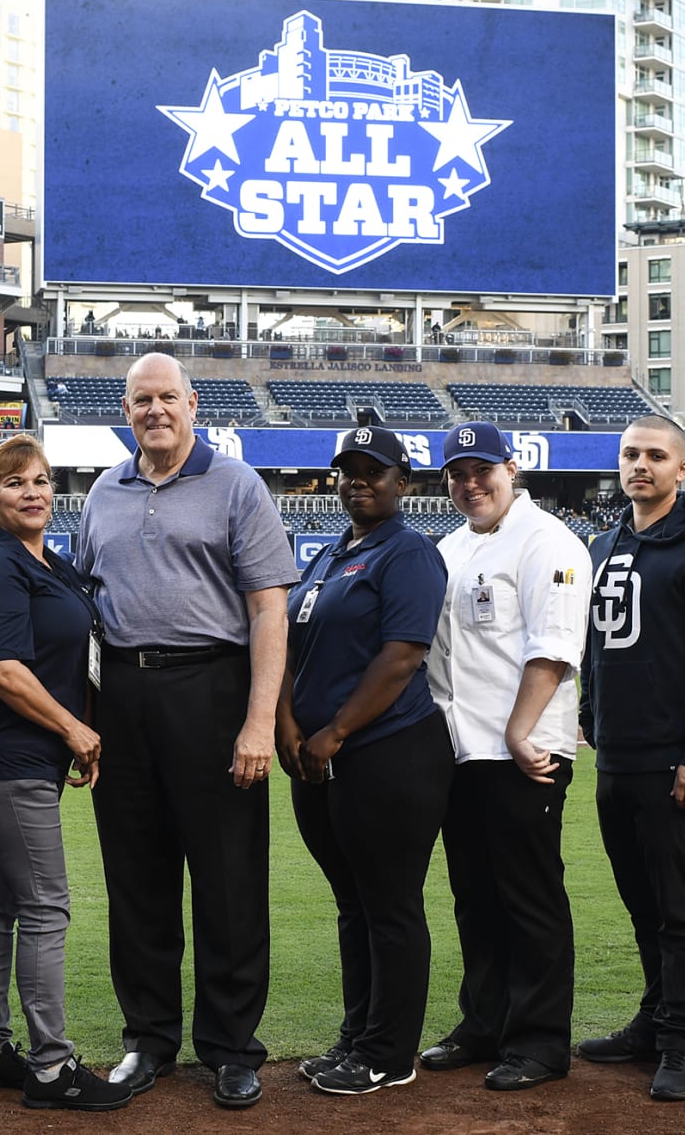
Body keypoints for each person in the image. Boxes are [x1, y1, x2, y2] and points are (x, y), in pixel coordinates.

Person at [77, 353, 297, 1109]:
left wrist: (259, 722)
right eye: (142, 399)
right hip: (126, 695)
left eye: (168, 396)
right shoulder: (105, 490)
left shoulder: (237, 484)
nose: (155, 410)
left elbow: (270, 609)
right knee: (136, 876)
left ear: (193, 403)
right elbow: (86, 608)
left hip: (213, 686)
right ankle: (147, 1040)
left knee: (229, 878)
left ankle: (233, 1048)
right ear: (127, 408)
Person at [0, 433, 134, 1112]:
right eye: (14, 483)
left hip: (24, 759)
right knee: (47, 908)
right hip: (8, 759)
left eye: (40, 479)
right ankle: (53, 1068)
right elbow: (3, 669)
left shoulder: (45, 561)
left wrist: (70, 736)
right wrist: (74, 729)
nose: (33, 492)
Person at [273, 427, 450, 1097]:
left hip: (388, 755)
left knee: (391, 906)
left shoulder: (408, 552)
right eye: (348, 471)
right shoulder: (330, 553)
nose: (359, 481)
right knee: (355, 905)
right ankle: (357, 1036)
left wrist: (336, 731)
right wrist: (291, 727)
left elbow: (403, 654)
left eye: (373, 472)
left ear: (403, 481)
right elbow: (293, 649)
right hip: (322, 759)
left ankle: (388, 1052)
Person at [574, 415, 685, 1103]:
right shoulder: (607, 541)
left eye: (655, 456)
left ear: (683, 469)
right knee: (642, 903)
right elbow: (595, 646)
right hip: (617, 754)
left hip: (679, 761)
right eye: (631, 454)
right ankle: (653, 1018)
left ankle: (682, 1041)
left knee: (679, 907)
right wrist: (591, 715)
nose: (640, 465)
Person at [420, 420, 591, 1092]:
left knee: (529, 898)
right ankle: (484, 1021)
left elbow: (551, 648)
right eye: (458, 473)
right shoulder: (449, 545)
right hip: (461, 751)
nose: (470, 484)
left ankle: (541, 1042)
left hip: (523, 753)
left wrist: (522, 732)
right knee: (475, 898)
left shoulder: (548, 539)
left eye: (481, 470)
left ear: (511, 468)